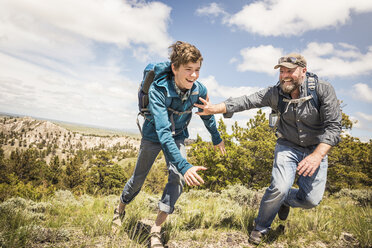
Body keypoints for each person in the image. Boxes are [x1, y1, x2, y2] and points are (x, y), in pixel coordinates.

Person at [195, 53, 342, 245]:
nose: (284, 76)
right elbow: (247, 100)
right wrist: (214, 108)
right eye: (281, 71)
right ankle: (261, 226)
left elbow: (334, 127)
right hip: (287, 145)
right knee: (279, 187)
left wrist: (317, 156)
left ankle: (284, 200)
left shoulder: (323, 90)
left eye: (290, 71)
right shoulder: (275, 93)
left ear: (303, 71)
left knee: (311, 200)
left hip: (316, 148)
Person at [112, 41, 226, 247]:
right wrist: (185, 165)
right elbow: (163, 133)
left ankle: (156, 230)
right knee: (139, 178)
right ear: (174, 68)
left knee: (177, 178)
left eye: (197, 70)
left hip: (179, 135)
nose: (193, 75)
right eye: (188, 70)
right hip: (153, 135)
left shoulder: (199, 89)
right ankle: (120, 208)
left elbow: (206, 114)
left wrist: (216, 137)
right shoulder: (158, 89)